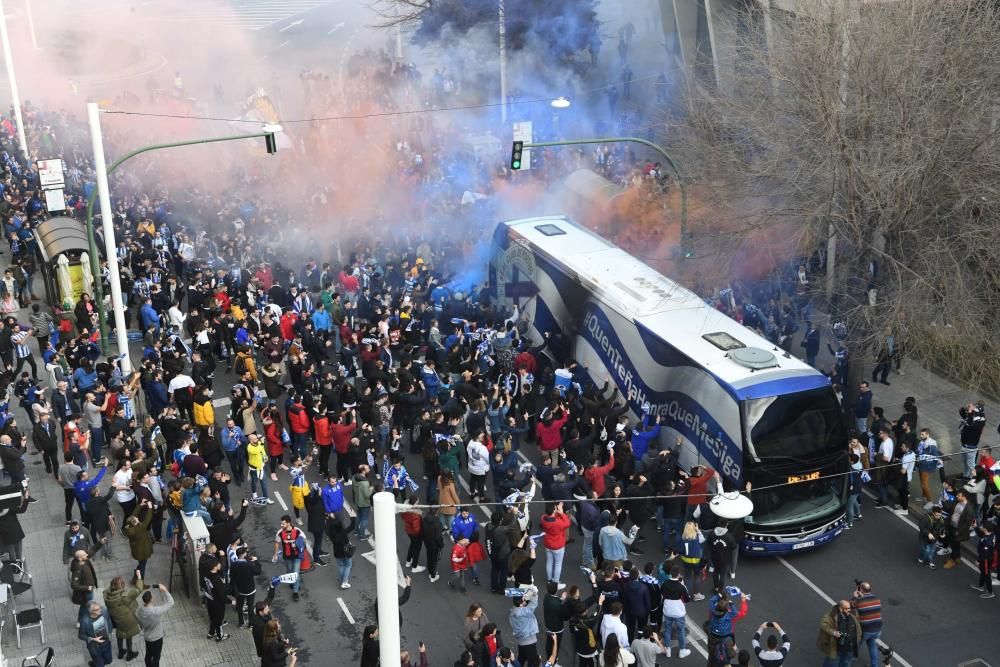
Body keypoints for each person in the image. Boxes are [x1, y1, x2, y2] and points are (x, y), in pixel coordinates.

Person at [103, 572, 144, 662]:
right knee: (128, 635)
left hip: (116, 618)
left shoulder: (106, 595)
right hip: (127, 619)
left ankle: (121, 652)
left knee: (120, 634)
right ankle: (129, 654)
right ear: (121, 586)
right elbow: (139, 589)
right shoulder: (124, 596)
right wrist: (139, 577)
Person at [135, 584, 174, 667]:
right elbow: (171, 603)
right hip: (157, 638)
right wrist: (165, 590)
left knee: (148, 654)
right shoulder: (155, 611)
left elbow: (140, 625)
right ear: (151, 599)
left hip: (147, 637)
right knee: (156, 657)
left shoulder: (139, 610)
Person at [659, 566, 691, 658]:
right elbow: (687, 599)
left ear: (670, 574)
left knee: (667, 629)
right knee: (681, 630)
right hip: (678, 612)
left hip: (667, 609)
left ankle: (668, 649)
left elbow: (661, 592)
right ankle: (682, 650)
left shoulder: (665, 584)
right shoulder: (681, 586)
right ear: (678, 575)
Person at [273, 515, 306, 601]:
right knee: (290, 570)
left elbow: (303, 539)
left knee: (295, 573)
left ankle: (295, 592)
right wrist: (275, 554)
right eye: (281, 523)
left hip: (296, 556)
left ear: (288, 523)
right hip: (287, 556)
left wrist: (301, 547)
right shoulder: (280, 533)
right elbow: (277, 542)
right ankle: (291, 582)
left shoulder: (297, 531)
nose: (281, 525)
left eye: (283, 524)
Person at [818, 601, 861, 667]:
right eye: (847, 608)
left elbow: (857, 626)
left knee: (846, 664)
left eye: (849, 608)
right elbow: (824, 625)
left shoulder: (853, 614)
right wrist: (834, 632)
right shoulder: (831, 615)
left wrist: (858, 637)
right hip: (837, 648)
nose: (849, 610)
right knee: (831, 664)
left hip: (850, 648)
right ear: (840, 608)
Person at [540, 501, 571, 585]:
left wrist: (557, 512)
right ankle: (556, 583)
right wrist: (562, 513)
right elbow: (567, 523)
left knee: (549, 562)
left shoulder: (543, 518)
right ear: (554, 510)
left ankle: (549, 580)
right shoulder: (558, 523)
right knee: (558, 564)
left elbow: (552, 518)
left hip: (547, 544)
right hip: (558, 546)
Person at [852, 581, 882, 667]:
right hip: (877, 629)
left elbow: (849, 606)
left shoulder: (859, 600)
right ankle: (874, 665)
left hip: (865, 630)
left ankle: (851, 658)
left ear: (860, 589)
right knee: (872, 645)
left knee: (856, 644)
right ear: (871, 589)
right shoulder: (877, 598)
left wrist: (855, 596)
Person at [509, 585, 540, 667]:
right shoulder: (524, 612)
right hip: (529, 640)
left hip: (521, 640)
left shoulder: (512, 612)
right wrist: (535, 594)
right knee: (532, 662)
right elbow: (533, 604)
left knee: (521, 659)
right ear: (521, 601)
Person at [79, 601, 115, 667]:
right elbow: (81, 635)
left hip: (107, 644)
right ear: (90, 611)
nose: (100, 610)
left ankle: (95, 664)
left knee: (109, 660)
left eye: (99, 608)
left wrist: (109, 632)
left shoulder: (104, 610)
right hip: (95, 648)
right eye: (97, 609)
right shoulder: (85, 621)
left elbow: (109, 621)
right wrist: (93, 639)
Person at [972, 520, 997, 599]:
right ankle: (981, 586)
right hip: (985, 558)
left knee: (986, 575)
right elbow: (980, 534)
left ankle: (990, 592)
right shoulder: (990, 534)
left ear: (986, 529)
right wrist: (976, 527)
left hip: (986, 560)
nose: (981, 527)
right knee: (983, 571)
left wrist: (978, 560)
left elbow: (984, 554)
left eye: (982, 527)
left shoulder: (988, 542)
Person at [917, 505, 946, 569]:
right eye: (936, 515)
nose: (938, 517)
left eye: (939, 515)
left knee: (931, 551)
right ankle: (921, 559)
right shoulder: (926, 518)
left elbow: (942, 528)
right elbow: (921, 527)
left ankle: (929, 562)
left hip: (934, 538)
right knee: (925, 550)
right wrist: (928, 533)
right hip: (924, 538)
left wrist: (942, 533)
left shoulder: (941, 520)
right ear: (933, 513)